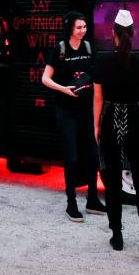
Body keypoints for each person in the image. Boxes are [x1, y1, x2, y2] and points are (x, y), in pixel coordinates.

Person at [93, 9, 139, 260]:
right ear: (134, 33)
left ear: (113, 34)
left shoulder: (102, 62)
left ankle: (117, 236)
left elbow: (98, 98)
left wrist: (96, 126)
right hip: (136, 120)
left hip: (110, 118)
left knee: (111, 180)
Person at [42, 11, 106, 222]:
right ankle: (71, 203)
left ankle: (93, 200)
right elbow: (45, 79)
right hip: (66, 112)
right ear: (70, 28)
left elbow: (96, 76)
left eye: (84, 27)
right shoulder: (60, 49)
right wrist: (63, 89)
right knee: (71, 156)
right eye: (79, 27)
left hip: (86, 110)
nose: (82, 31)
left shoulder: (89, 48)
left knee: (92, 155)